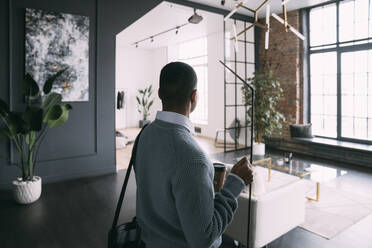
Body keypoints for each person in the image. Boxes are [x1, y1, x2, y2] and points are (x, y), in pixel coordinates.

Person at [134, 62, 253, 248]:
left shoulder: (145, 134)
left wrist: (201, 185)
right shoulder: (193, 158)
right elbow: (203, 239)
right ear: (194, 96)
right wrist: (234, 184)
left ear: (159, 93)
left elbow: (159, 188)